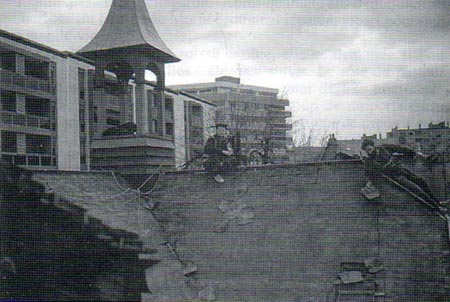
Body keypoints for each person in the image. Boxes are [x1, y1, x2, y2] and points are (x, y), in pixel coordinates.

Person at [361, 139, 444, 211]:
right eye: (367, 151)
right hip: (395, 177)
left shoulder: (383, 147)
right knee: (414, 189)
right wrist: (368, 183)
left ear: (373, 146)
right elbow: (368, 174)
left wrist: (416, 153)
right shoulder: (369, 161)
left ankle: (437, 202)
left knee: (420, 181)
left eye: (369, 149)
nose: (369, 152)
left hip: (400, 168)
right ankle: (434, 207)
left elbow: (401, 148)